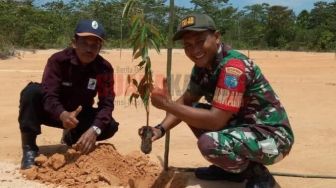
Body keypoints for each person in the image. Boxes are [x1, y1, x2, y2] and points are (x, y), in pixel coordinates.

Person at [147, 13, 294, 187]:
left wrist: (166, 104)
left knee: (209, 143)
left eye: (200, 41)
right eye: (188, 45)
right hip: (244, 127)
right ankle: (230, 170)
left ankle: (257, 174)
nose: (194, 50)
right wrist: (159, 129)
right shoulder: (203, 67)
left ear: (217, 37)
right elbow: (187, 101)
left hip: (273, 138)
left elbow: (215, 121)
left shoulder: (233, 68)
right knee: (192, 109)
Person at [18, 19, 119, 169]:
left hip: (77, 119)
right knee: (31, 92)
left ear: (100, 47)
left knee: (109, 125)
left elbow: (106, 104)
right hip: (52, 112)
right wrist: (62, 114)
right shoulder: (58, 61)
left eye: (95, 45)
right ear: (74, 42)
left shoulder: (103, 68)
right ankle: (29, 149)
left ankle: (71, 138)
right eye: (85, 43)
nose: (89, 49)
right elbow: (48, 95)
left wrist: (94, 130)